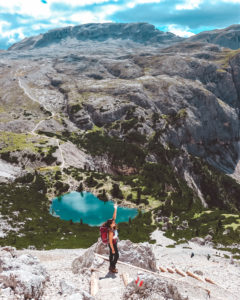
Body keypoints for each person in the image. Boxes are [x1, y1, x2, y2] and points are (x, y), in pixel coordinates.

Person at [103, 203, 119, 273]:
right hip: (113, 244)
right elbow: (110, 241)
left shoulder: (112, 227)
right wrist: (112, 249)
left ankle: (111, 266)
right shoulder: (110, 231)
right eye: (113, 222)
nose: (114, 222)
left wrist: (115, 208)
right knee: (116, 255)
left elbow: (114, 217)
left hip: (114, 243)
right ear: (110, 224)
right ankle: (112, 267)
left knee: (111, 255)